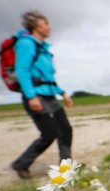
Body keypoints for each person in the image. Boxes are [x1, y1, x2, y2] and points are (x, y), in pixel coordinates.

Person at [10, 10, 74, 179]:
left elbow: (47, 78)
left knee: (65, 130)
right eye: (45, 24)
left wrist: (63, 93)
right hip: (36, 96)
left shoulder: (43, 49)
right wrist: (31, 96)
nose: (49, 27)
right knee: (49, 133)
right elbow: (22, 71)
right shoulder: (26, 44)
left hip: (49, 95)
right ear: (34, 26)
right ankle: (21, 164)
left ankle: (66, 167)